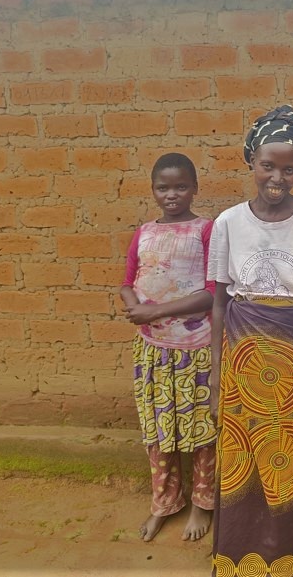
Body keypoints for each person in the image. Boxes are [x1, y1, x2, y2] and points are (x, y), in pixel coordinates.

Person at [207, 105, 293, 577]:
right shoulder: (227, 223)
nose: (278, 177)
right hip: (242, 360)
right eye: (269, 165)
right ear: (250, 158)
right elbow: (219, 306)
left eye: (290, 169)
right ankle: (244, 555)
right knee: (243, 452)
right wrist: (213, 384)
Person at [120, 152, 217, 543]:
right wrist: (134, 308)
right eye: (164, 187)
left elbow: (213, 293)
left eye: (180, 186)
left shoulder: (205, 230)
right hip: (152, 352)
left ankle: (202, 504)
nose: (172, 194)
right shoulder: (143, 232)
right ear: (153, 191)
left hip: (196, 350)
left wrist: (155, 310)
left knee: (200, 430)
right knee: (159, 431)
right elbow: (127, 281)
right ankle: (163, 503)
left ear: (194, 188)